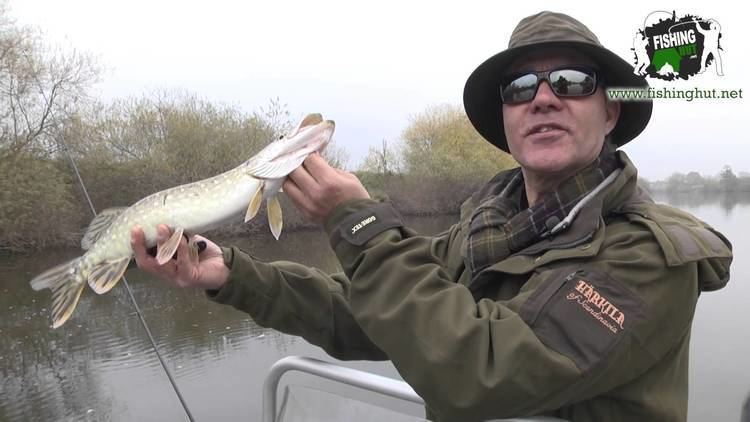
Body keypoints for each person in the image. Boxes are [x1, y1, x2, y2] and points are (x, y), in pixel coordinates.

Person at [131, 11, 733, 422]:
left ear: (610, 113)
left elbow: (480, 371)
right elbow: (367, 314)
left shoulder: (654, 255)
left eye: (573, 82)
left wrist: (358, 226)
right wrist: (229, 274)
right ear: (506, 120)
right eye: (521, 87)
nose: (543, 97)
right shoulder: (486, 228)